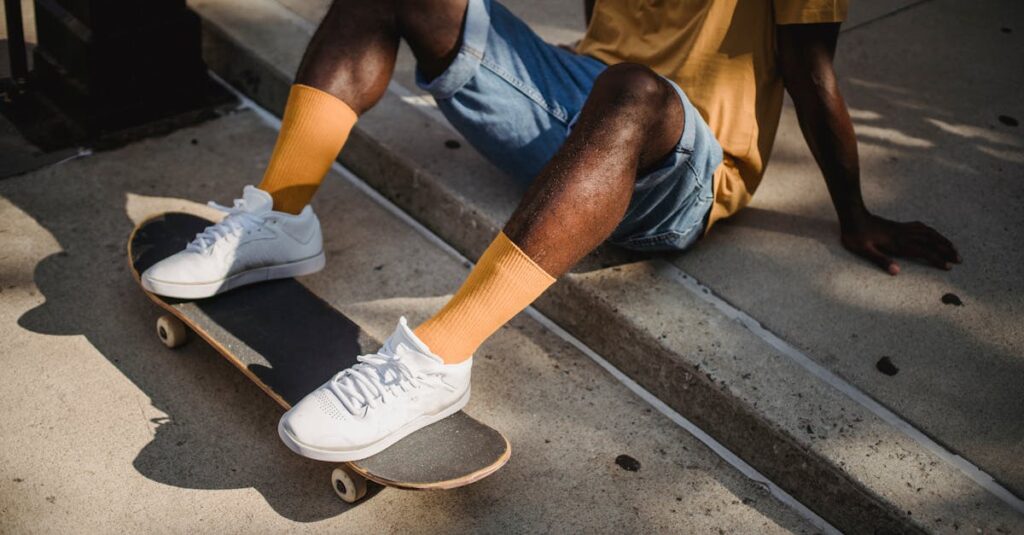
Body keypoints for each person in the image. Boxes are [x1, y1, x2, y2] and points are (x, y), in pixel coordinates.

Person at [141, 0, 961, 461]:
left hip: (679, 165)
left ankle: (436, 361)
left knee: (635, 92)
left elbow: (812, 75)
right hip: (576, 102)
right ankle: (281, 216)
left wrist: (855, 216)